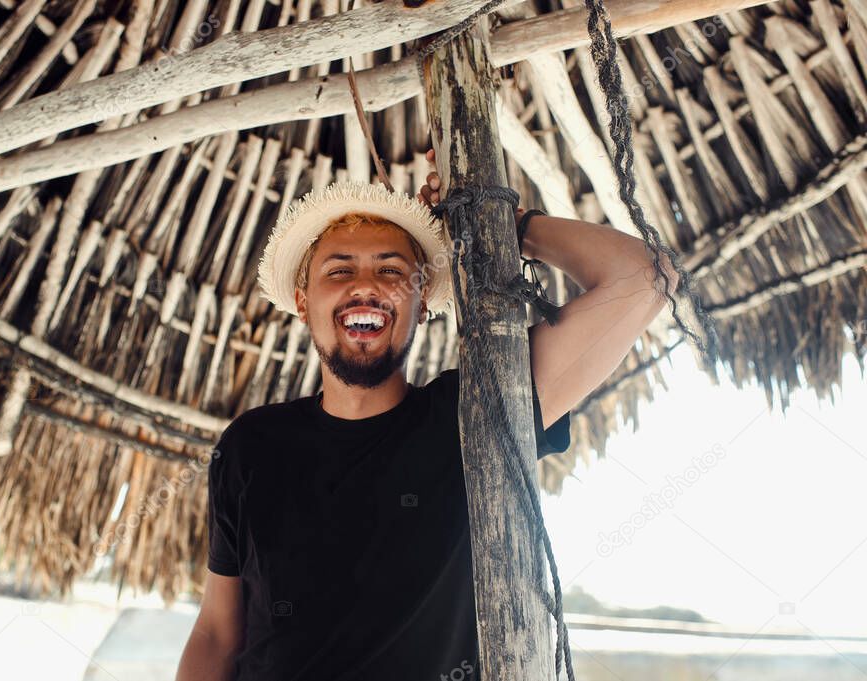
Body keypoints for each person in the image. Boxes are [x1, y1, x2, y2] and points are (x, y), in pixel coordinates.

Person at [176, 149, 679, 680]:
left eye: (391, 270)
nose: (363, 285)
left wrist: (506, 224)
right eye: (339, 268)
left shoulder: (477, 416)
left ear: (421, 302)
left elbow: (644, 277)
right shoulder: (251, 446)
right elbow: (216, 632)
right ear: (304, 303)